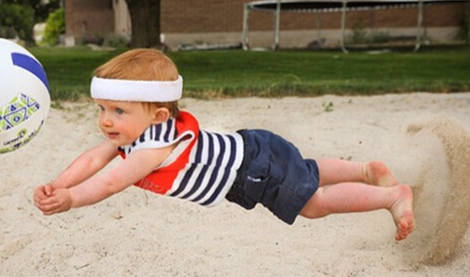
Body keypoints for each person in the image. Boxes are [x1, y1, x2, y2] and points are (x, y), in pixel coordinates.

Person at [34, 48, 414, 241]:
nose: (106, 120)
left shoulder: (153, 148)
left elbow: (110, 182)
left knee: (314, 204)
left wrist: (71, 199)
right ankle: (365, 171)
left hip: (253, 170)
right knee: (304, 171)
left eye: (118, 111)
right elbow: (93, 160)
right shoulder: (137, 133)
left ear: (159, 116)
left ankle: (392, 197)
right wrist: (59, 183)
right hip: (253, 150)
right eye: (101, 109)